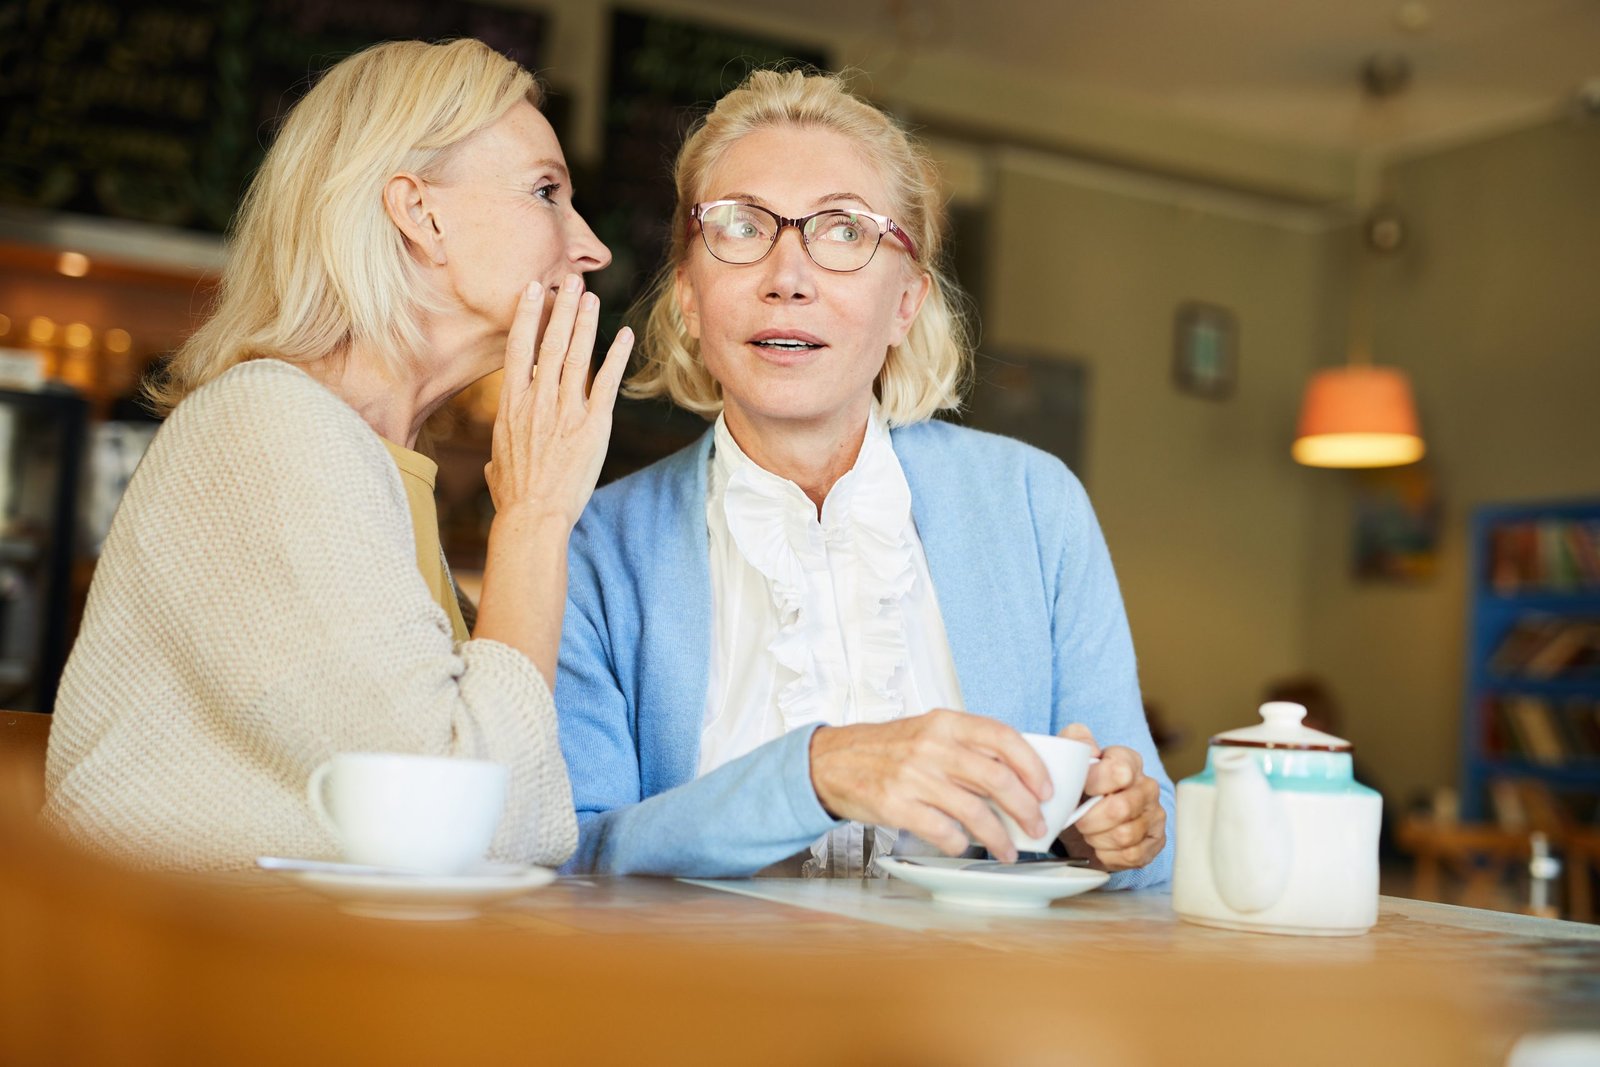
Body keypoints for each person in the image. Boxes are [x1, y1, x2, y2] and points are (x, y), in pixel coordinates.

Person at [556, 69, 1174, 885]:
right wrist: (816, 772)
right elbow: (570, 854)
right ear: (689, 298)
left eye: (844, 231)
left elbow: (1141, 837)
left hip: (974, 1003)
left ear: (907, 302)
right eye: (740, 228)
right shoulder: (596, 542)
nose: (788, 276)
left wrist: (1114, 831)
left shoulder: (1036, 504)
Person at [43, 39, 632, 871]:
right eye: (547, 192)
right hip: (190, 984)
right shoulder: (268, 430)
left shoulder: (376, 460)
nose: (592, 246)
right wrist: (535, 517)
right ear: (419, 215)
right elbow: (468, 826)